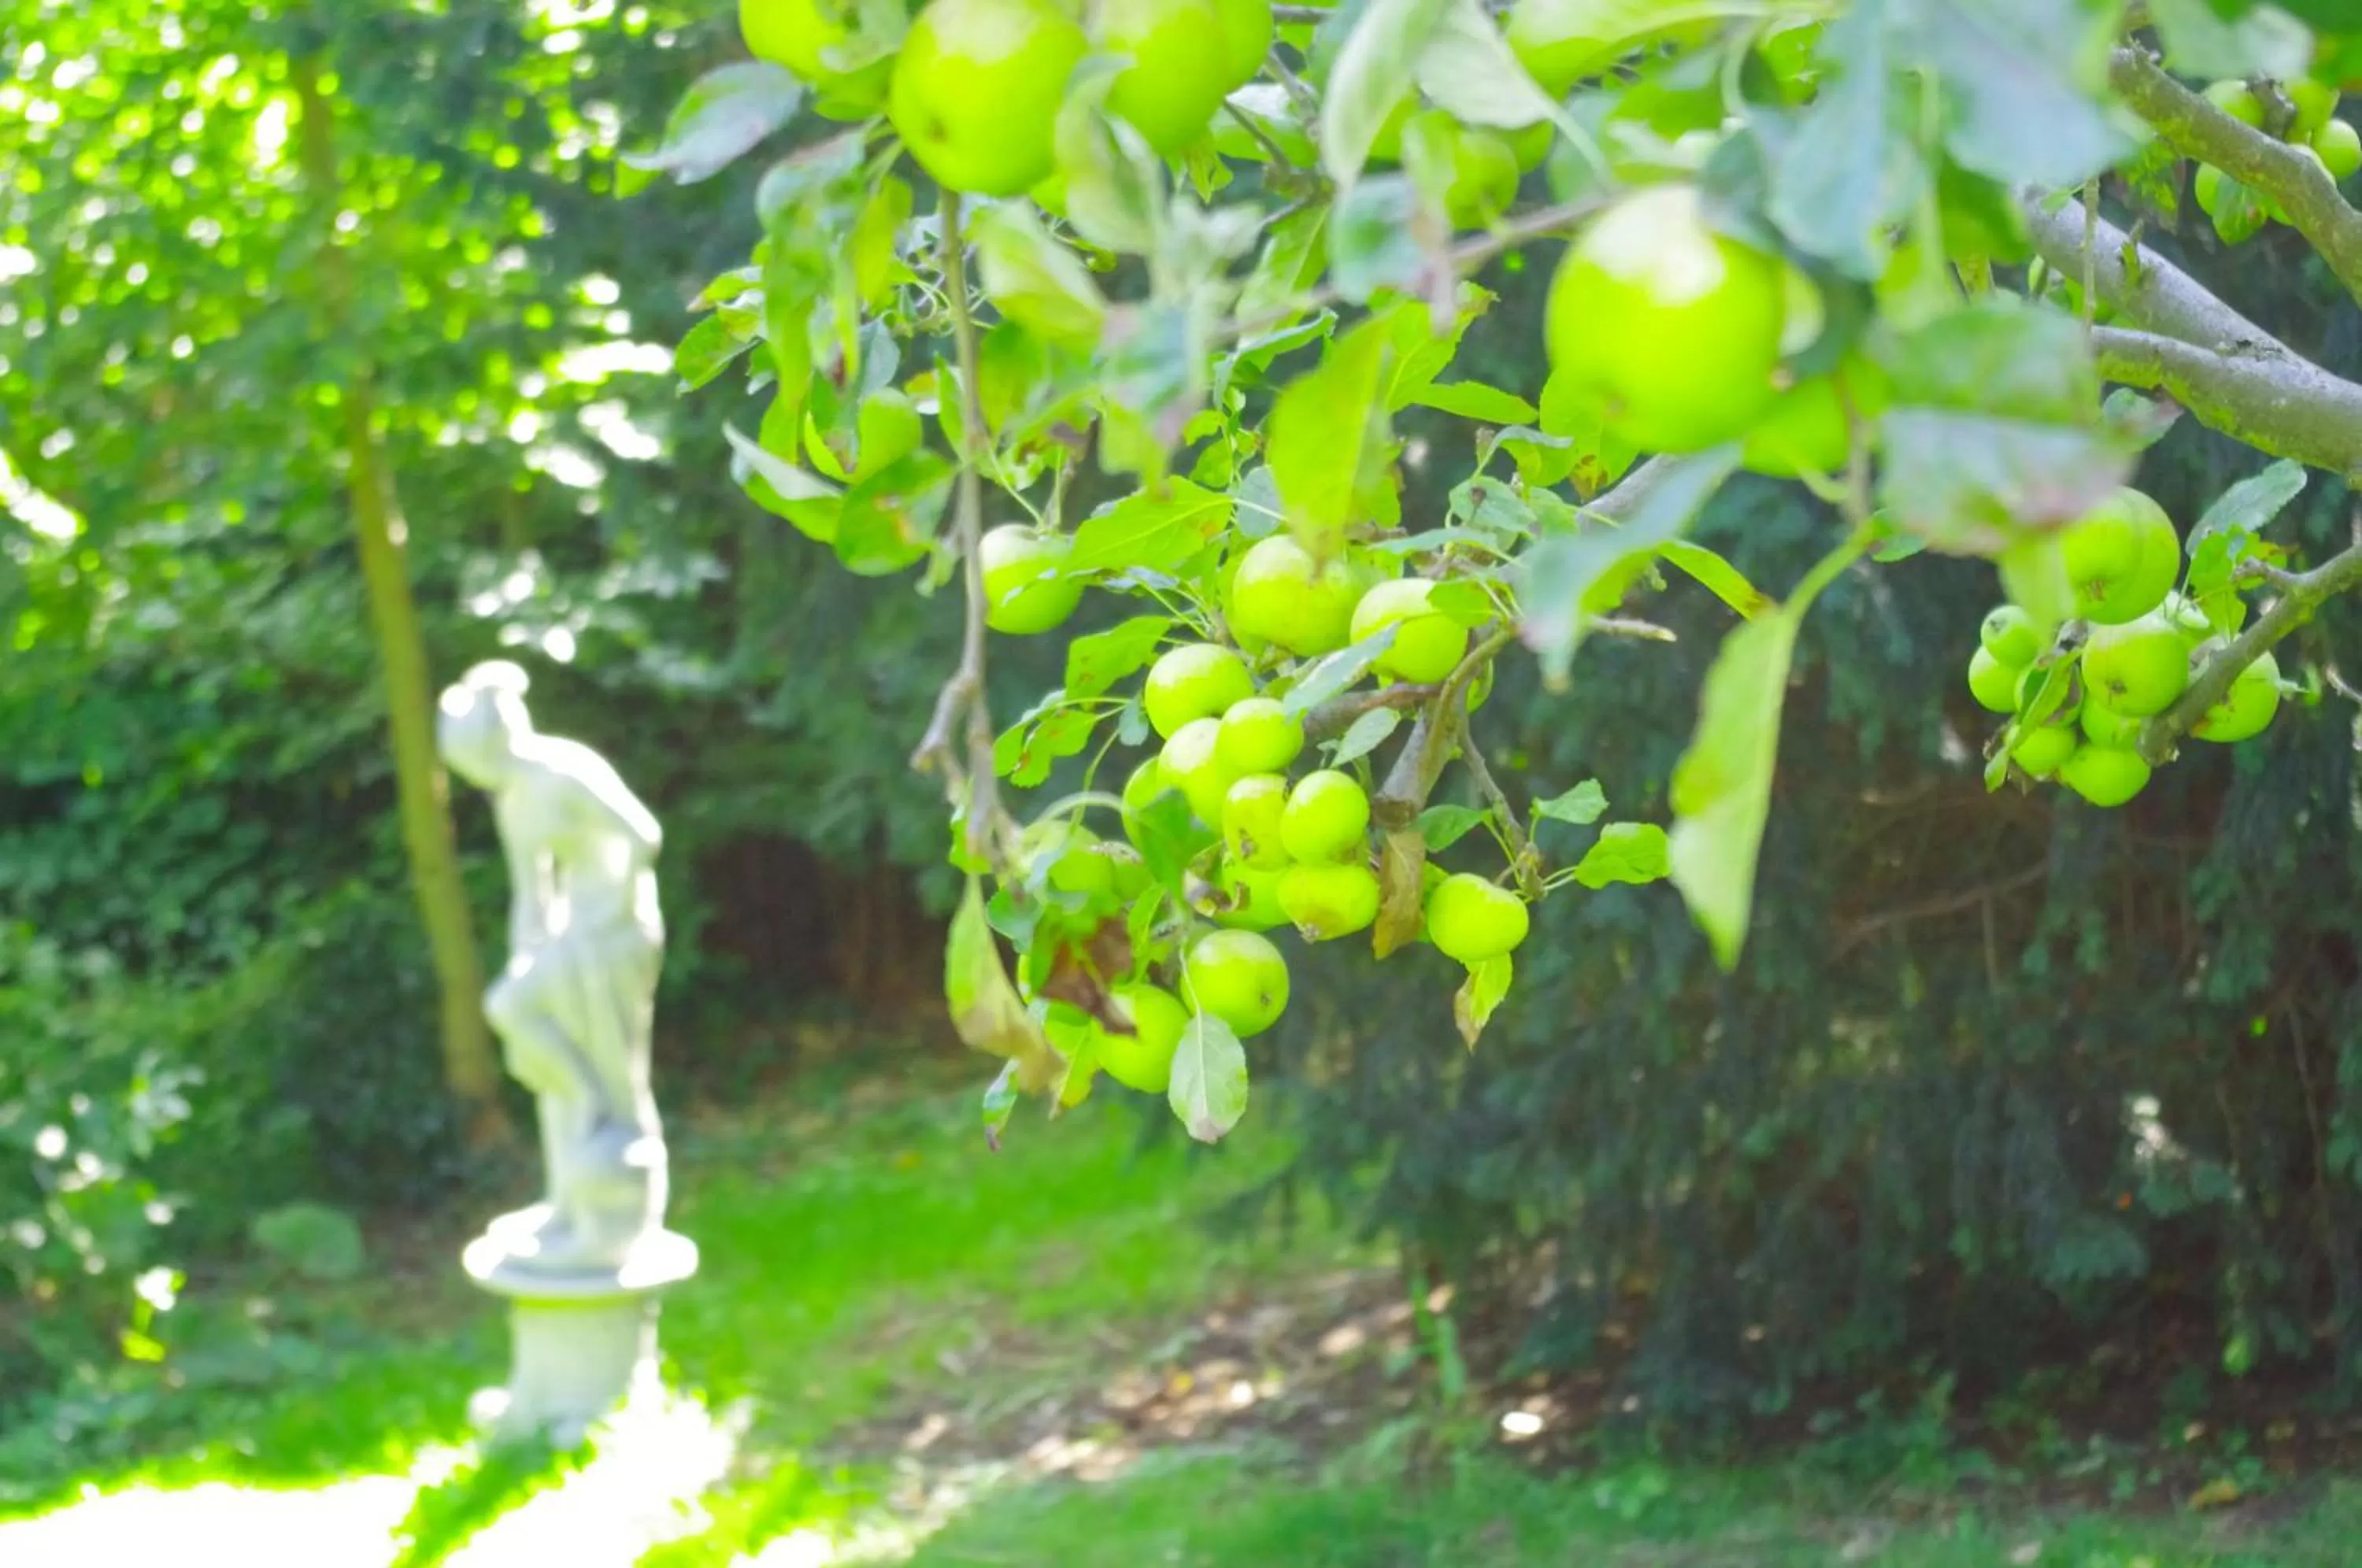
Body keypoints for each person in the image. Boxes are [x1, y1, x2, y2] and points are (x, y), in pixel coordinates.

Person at [436, 660, 668, 1274]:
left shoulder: (564, 771)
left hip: (614, 936)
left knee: (619, 1070)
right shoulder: (514, 799)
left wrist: (605, 914)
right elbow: (529, 896)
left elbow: (642, 836)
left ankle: (612, 1211)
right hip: (574, 942)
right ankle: (570, 1196)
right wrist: (530, 957)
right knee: (520, 1021)